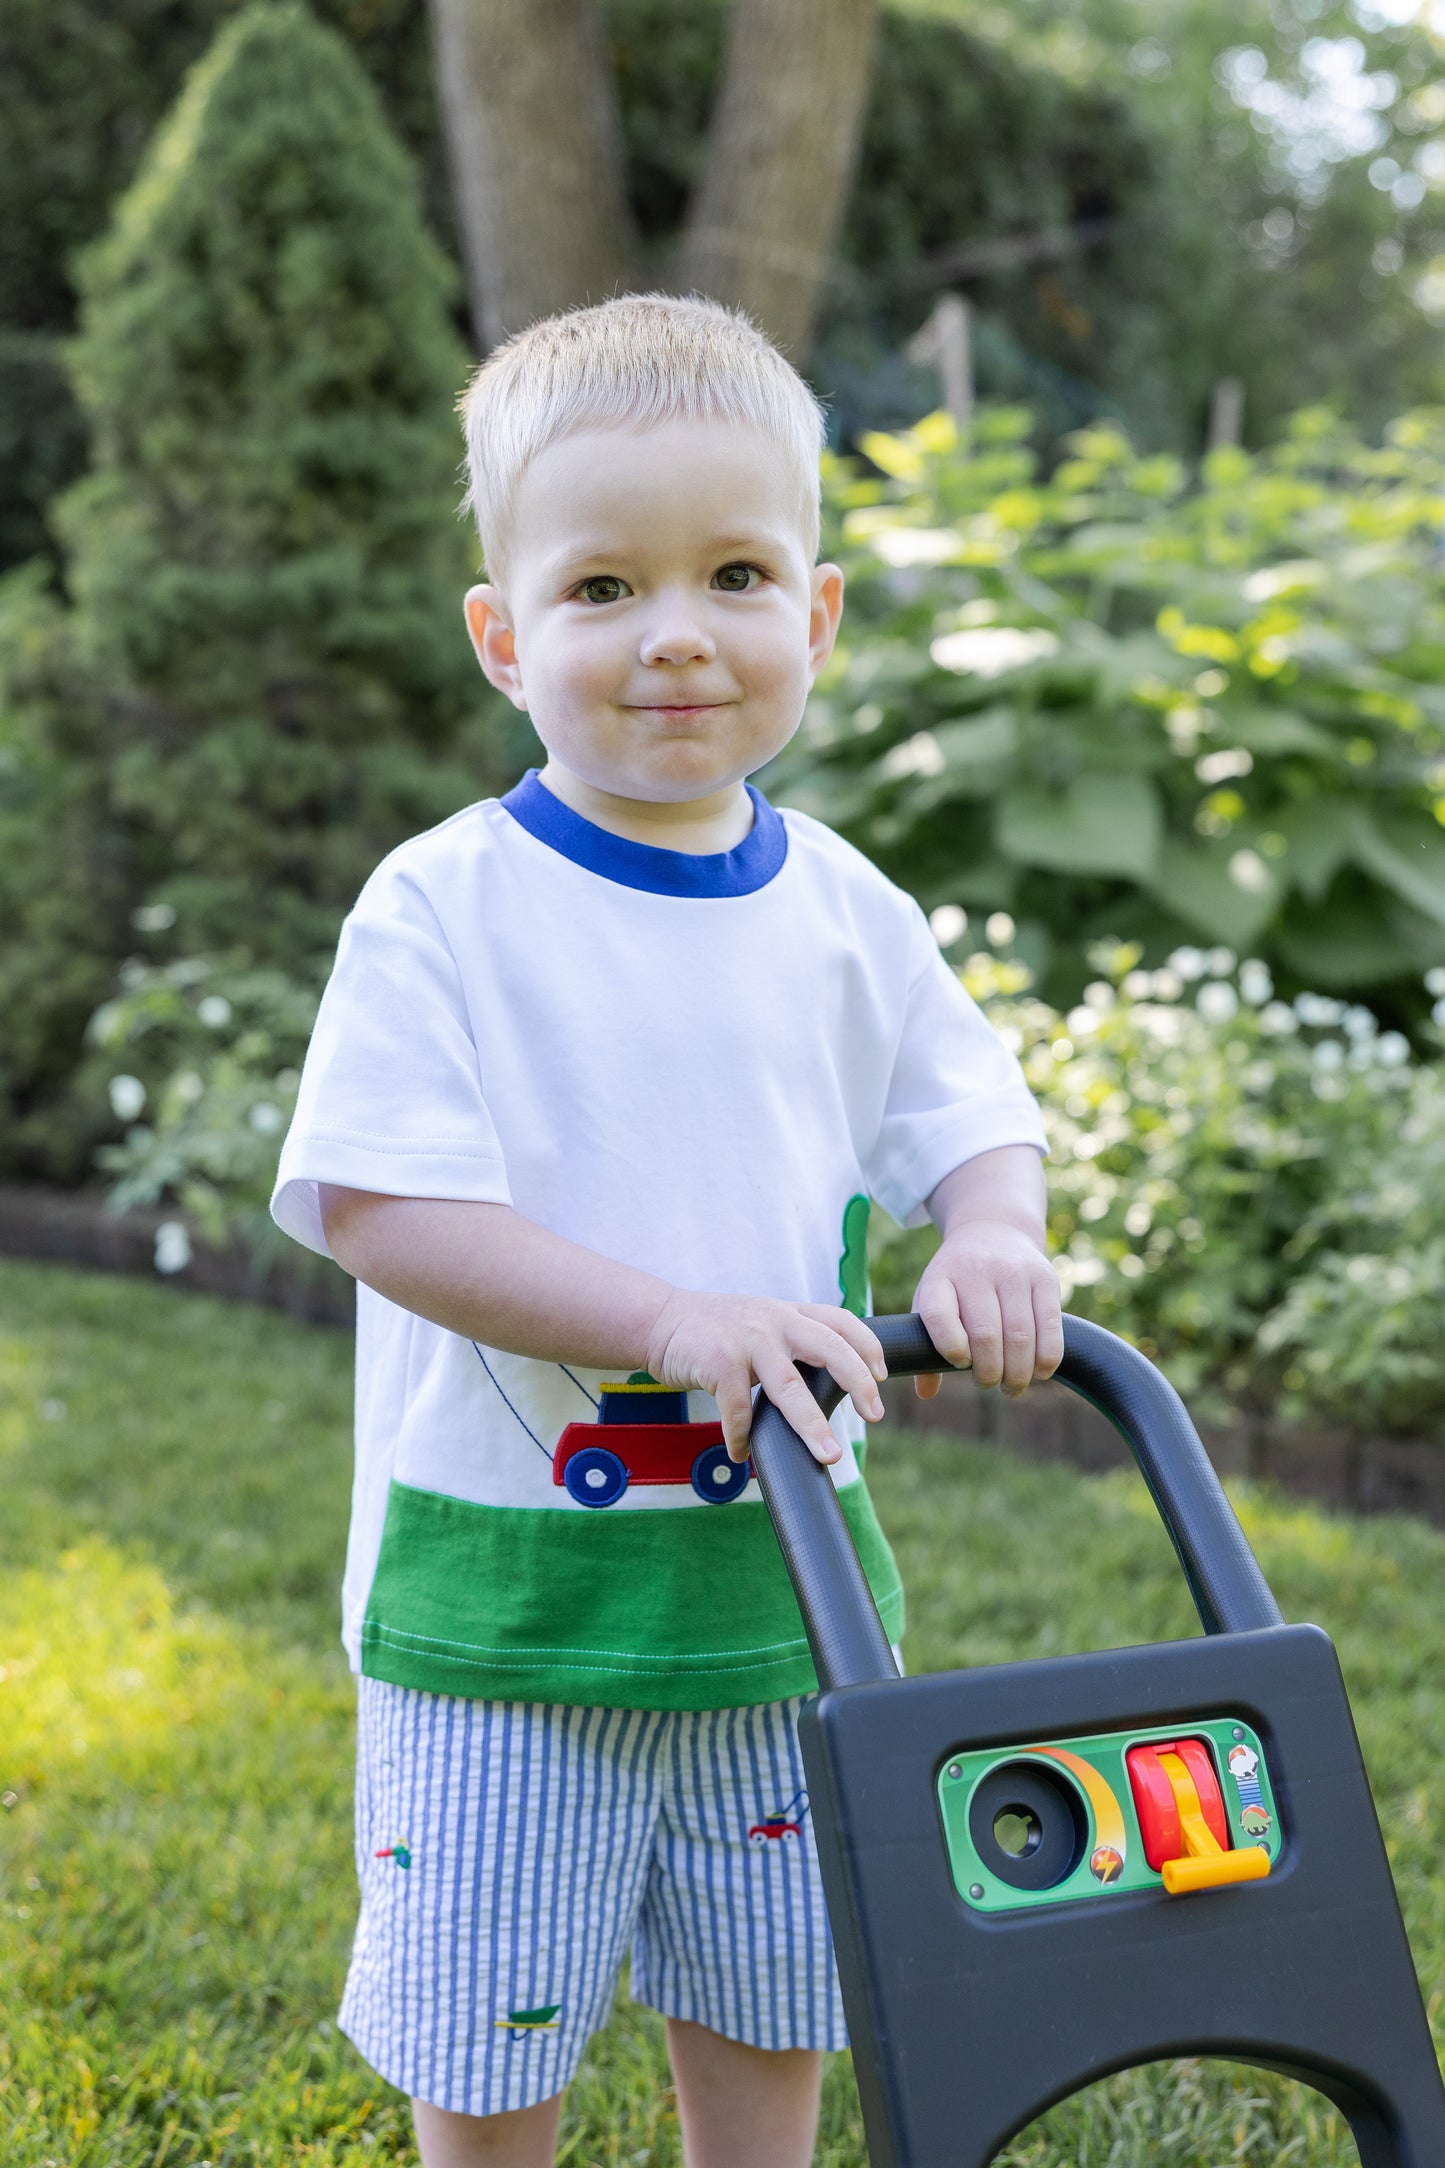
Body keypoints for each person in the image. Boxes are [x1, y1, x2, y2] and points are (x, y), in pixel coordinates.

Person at [271, 292, 1061, 2168]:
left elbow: (966, 1117)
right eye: (603, 589)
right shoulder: (445, 908)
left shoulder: (849, 912)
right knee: (491, 2038)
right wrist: (668, 1316)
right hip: (505, 1614)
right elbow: (382, 1205)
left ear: (818, 611)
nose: (676, 634)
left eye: (732, 573)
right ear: (502, 635)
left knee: (774, 1995)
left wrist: (989, 1232)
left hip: (786, 1597)